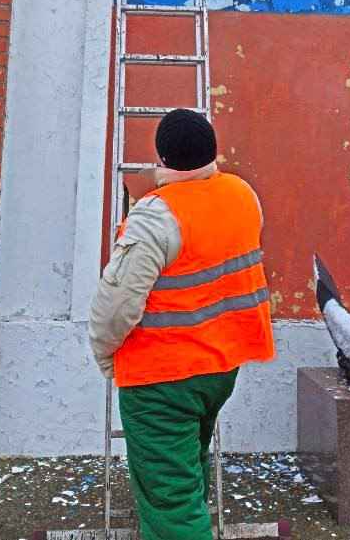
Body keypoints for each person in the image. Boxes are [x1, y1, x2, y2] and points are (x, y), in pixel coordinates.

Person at [89, 109, 275, 540]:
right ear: (212, 150)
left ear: (162, 157)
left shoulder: (156, 216)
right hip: (221, 368)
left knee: (171, 501)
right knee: (189, 471)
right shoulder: (243, 195)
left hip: (161, 379)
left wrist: (105, 355)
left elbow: (116, 306)